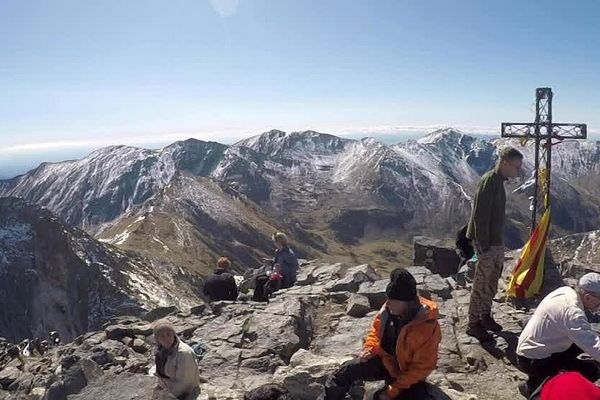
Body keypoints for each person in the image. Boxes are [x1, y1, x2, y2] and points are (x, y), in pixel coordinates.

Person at [319, 268, 441, 400]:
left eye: (392, 300)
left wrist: (392, 391)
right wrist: (370, 348)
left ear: (407, 303)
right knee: (346, 371)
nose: (387, 303)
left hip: (408, 376)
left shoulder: (426, 326)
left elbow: (421, 368)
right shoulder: (388, 310)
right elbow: (375, 332)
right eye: (388, 299)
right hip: (386, 363)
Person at [466, 147, 524, 341]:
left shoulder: (498, 181)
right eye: (516, 166)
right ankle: (473, 323)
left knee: (491, 280)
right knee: (482, 281)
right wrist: (483, 243)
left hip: (495, 241)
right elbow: (480, 215)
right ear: (505, 163)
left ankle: (485, 315)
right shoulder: (489, 181)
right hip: (487, 242)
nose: (518, 170)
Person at [516, 273, 600, 397]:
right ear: (588, 297)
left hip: (531, 348)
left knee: (590, 338)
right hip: (534, 360)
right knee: (590, 371)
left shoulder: (565, 291)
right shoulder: (573, 313)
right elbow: (594, 346)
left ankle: (542, 378)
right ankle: (536, 387)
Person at [151, 319, 200, 400]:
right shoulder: (160, 349)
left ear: (173, 334)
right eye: (162, 336)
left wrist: (166, 395)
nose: (166, 338)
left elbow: (185, 383)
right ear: (157, 339)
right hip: (167, 382)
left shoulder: (183, 353)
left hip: (183, 389)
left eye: (169, 334)